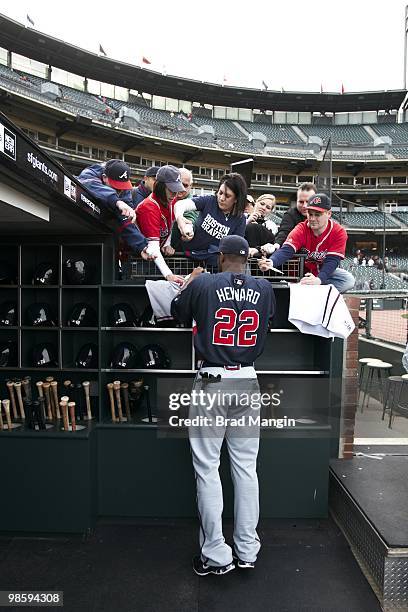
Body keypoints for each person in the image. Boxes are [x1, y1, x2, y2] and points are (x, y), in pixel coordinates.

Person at [171, 235, 275, 576]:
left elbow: (176, 312)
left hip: (213, 380)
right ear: (245, 259)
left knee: (208, 468)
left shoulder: (204, 283)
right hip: (247, 379)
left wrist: (192, 284)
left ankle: (216, 553)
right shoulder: (264, 286)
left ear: (221, 258)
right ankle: (247, 549)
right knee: (246, 468)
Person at [259, 193, 355, 293]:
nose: (312, 218)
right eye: (310, 214)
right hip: (303, 272)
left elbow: (332, 261)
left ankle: (316, 295)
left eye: (317, 214)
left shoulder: (338, 232)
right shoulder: (301, 228)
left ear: (329, 214)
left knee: (348, 280)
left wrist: (319, 280)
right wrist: (272, 261)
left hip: (323, 271)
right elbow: (287, 250)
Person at [77, 159, 151, 258]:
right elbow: (86, 183)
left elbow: (126, 221)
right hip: (80, 220)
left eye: (122, 186)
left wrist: (142, 246)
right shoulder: (93, 172)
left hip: (102, 229)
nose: (120, 190)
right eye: (116, 187)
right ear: (104, 178)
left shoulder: (125, 190)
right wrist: (117, 201)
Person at [174, 173, 247, 269]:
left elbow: (236, 246)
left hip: (213, 266)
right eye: (220, 193)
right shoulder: (209, 201)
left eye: (227, 196)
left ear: (236, 199)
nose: (221, 198)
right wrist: (180, 221)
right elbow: (180, 205)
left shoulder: (240, 219)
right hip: (188, 258)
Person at [136, 165, 186, 284]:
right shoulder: (149, 207)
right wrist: (169, 275)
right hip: (138, 261)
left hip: (156, 259)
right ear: (159, 186)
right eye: (171, 189)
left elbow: (170, 223)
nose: (175, 194)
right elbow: (153, 248)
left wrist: (167, 243)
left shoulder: (171, 200)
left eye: (177, 189)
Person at [261, 182, 316, 255]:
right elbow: (284, 232)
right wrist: (276, 245)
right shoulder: (290, 215)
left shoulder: (323, 217)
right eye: (301, 202)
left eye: (308, 202)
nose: (304, 205)